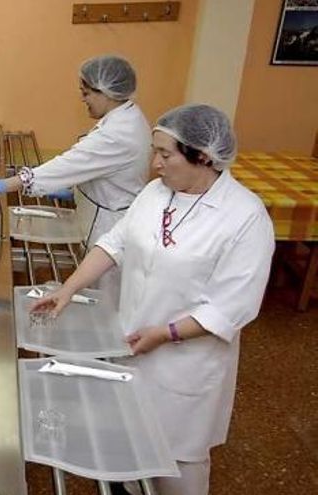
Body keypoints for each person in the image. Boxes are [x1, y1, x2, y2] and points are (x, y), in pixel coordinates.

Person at [32, 104, 275, 495]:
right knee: (130, 438)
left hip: (186, 361)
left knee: (179, 458)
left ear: (204, 157)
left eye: (165, 154)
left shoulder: (245, 217)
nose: (155, 163)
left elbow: (232, 306)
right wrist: (67, 289)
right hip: (131, 340)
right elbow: (115, 244)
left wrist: (164, 333)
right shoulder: (155, 193)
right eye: (154, 151)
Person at [0, 55, 151, 303]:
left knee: (107, 307)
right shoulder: (124, 117)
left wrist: (0, 185)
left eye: (86, 93)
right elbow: (93, 165)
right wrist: (74, 188)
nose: (83, 99)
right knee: (99, 295)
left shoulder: (119, 132)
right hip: (102, 219)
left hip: (110, 228)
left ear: (106, 92)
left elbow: (71, 163)